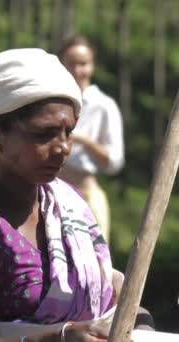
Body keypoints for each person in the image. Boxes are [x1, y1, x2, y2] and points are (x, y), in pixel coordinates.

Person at [0, 49, 153, 342]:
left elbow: (113, 301)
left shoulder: (71, 206)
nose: (63, 147)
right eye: (44, 133)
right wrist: (58, 338)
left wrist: (140, 327)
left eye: (69, 132)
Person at [57, 36, 125, 244]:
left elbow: (114, 161)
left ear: (92, 65)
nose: (77, 70)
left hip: (87, 192)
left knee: (96, 260)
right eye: (71, 63)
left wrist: (82, 141)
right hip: (52, 191)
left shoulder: (104, 105)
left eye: (83, 63)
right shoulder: (52, 102)